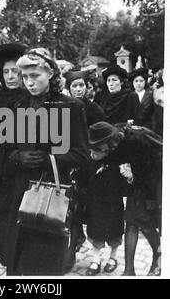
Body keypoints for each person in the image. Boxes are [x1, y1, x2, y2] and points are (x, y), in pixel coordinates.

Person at [6, 48, 89, 275]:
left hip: (52, 195)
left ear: (51, 73)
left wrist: (48, 159)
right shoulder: (20, 107)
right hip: (22, 194)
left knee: (44, 266)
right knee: (17, 263)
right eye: (25, 77)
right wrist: (17, 157)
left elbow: (82, 154)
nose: (29, 82)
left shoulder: (71, 107)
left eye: (35, 76)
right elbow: (9, 149)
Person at [88, 121, 162, 276]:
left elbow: (156, 162)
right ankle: (129, 271)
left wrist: (134, 176)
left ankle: (159, 255)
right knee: (131, 220)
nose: (96, 150)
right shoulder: (114, 142)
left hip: (154, 180)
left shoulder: (138, 137)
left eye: (98, 147)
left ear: (107, 143)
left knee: (146, 224)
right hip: (136, 181)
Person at [0, 43, 27, 266]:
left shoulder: (29, 97)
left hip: (20, 164)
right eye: (6, 72)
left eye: (15, 71)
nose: (11, 76)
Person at [62, 70, 104, 272]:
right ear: (68, 88)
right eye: (74, 86)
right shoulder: (62, 106)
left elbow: (100, 138)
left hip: (87, 164)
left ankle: (72, 250)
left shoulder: (95, 109)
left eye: (81, 85)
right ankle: (70, 243)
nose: (78, 90)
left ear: (87, 87)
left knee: (79, 208)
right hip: (66, 161)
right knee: (65, 207)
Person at [85, 123, 128, 276]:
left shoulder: (119, 158)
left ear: (107, 148)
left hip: (113, 202)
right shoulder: (90, 159)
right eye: (92, 149)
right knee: (95, 230)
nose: (92, 153)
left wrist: (128, 177)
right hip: (95, 201)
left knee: (115, 232)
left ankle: (113, 258)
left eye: (97, 150)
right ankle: (96, 260)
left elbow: (125, 183)